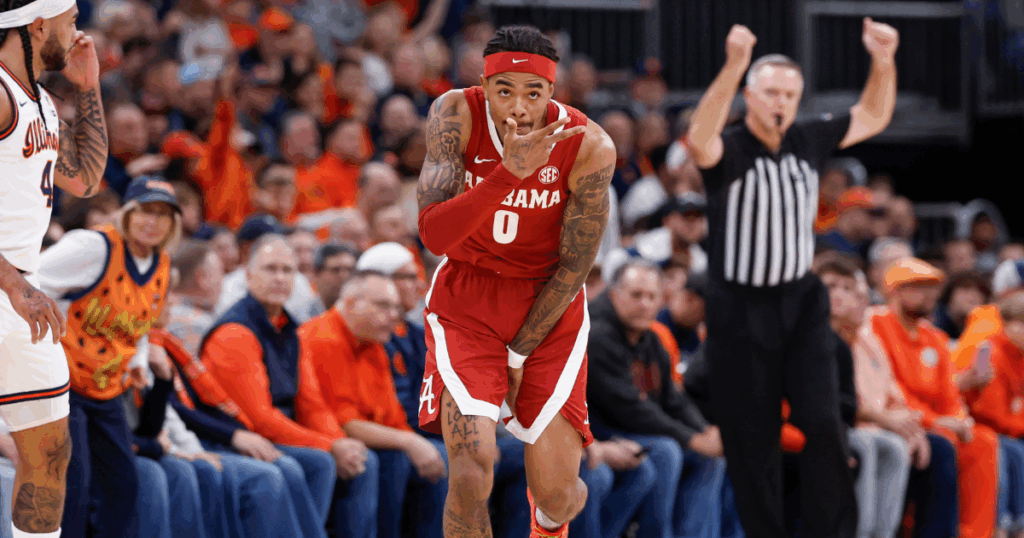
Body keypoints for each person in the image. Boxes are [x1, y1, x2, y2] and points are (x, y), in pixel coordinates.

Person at [685, 17, 900, 538]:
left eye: (789, 94)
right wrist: (734, 65)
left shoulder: (808, 137)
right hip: (739, 307)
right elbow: (698, 138)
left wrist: (883, 61)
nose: (780, 102)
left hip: (800, 301)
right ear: (750, 98)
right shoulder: (730, 147)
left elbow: (873, 115)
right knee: (752, 438)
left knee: (824, 422)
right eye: (771, 93)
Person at [415, 24, 616, 538]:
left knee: (556, 494)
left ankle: (549, 522)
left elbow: (575, 267)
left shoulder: (589, 145)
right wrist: (508, 174)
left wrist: (520, 352)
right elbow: (434, 235)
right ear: (484, 86)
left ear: (552, 92)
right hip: (468, 298)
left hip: (548, 304)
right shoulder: (455, 114)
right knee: (470, 472)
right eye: (504, 91)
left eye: (533, 93)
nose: (519, 108)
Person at [0, 0, 109, 534]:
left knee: (49, 451)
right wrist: (12, 284)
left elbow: (86, 179)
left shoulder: (39, 102)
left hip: (21, 290)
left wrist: (89, 89)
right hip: (11, 284)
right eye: (70, 22)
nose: (77, 33)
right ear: (38, 26)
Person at [199, 234, 375, 538]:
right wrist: (329, 445)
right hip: (237, 437)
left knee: (363, 459)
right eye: (271, 269)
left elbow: (311, 404)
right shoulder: (234, 333)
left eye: (287, 270)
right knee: (320, 461)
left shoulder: (289, 329)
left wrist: (340, 443)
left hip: (279, 431)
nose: (280, 278)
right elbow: (259, 418)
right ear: (248, 275)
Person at [37, 177, 178, 538]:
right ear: (127, 213)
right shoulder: (93, 246)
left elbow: (141, 324)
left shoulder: (162, 266)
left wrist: (139, 360)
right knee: (74, 484)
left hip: (107, 387)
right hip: (63, 381)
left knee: (122, 487)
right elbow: (29, 281)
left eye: (163, 214)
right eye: (145, 210)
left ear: (173, 224)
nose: (152, 221)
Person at [587, 260, 737, 538]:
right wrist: (691, 438)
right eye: (636, 295)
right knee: (666, 451)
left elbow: (673, 398)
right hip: (600, 431)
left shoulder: (651, 338)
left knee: (712, 457)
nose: (644, 304)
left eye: (651, 296)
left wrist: (704, 430)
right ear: (615, 295)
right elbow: (629, 408)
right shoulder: (597, 335)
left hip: (634, 429)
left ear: (661, 300)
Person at [301, 270, 448, 538]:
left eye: (395, 307)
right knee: (393, 458)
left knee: (443, 457)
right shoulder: (324, 339)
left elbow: (393, 417)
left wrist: (413, 442)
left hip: (363, 438)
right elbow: (346, 424)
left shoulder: (373, 341)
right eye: (383, 306)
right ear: (350, 304)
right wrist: (411, 442)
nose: (394, 315)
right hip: (327, 439)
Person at [864, 258, 999, 538]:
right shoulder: (876, 325)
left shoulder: (935, 337)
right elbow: (892, 390)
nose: (928, 294)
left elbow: (949, 393)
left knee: (982, 441)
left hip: (935, 421)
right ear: (894, 290)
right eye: (918, 287)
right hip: (898, 419)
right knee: (942, 446)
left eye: (932, 287)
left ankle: (975, 533)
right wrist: (937, 422)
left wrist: (959, 420)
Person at [960, 290, 1024, 538]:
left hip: (1008, 429)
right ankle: (1005, 525)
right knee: (1012, 451)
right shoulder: (992, 352)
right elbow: (988, 412)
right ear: (1007, 323)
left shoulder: (1019, 356)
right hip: (982, 428)